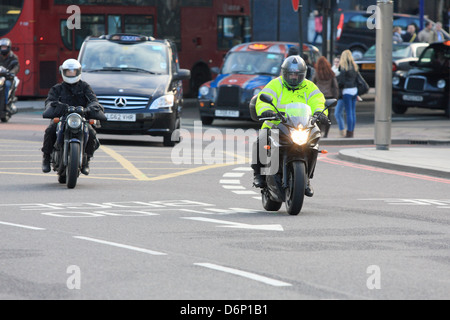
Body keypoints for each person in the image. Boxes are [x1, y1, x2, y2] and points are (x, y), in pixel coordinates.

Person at [251, 55, 327, 197]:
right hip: (275, 124)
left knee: (314, 144)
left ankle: (306, 179)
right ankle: (258, 175)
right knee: (260, 141)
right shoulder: (275, 84)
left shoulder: (310, 87)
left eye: (297, 75)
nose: (293, 77)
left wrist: (320, 113)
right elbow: (263, 98)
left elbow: (318, 101)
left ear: (303, 74)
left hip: (302, 125)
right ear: (284, 73)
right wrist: (265, 110)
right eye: (290, 74)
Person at [41, 59, 104, 175]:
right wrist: (56, 106)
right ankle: (46, 158)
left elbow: (93, 100)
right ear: (63, 72)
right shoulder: (57, 88)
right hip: (63, 118)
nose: (71, 74)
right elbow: (50, 101)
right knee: (50, 130)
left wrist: (91, 108)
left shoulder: (85, 87)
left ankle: (87, 161)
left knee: (92, 133)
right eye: (68, 72)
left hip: (81, 118)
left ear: (78, 72)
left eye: (73, 72)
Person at [312, 56, 339, 138]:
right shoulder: (331, 73)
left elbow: (312, 84)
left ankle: (319, 131)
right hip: (329, 97)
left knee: (318, 115)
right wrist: (336, 97)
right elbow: (335, 86)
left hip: (319, 97)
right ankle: (326, 134)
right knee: (328, 116)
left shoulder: (316, 73)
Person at [336, 50, 359, 138]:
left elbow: (341, 81)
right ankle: (351, 131)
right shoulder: (355, 66)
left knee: (349, 112)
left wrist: (339, 87)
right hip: (354, 90)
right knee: (353, 112)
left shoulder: (343, 67)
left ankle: (349, 133)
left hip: (347, 91)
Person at [0, 38, 20, 108]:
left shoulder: (13, 57)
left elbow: (16, 67)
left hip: (8, 77)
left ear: (8, 48)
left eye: (5, 47)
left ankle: (6, 103)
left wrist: (12, 72)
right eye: (2, 47)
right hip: (0, 77)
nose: (3, 49)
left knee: (7, 85)